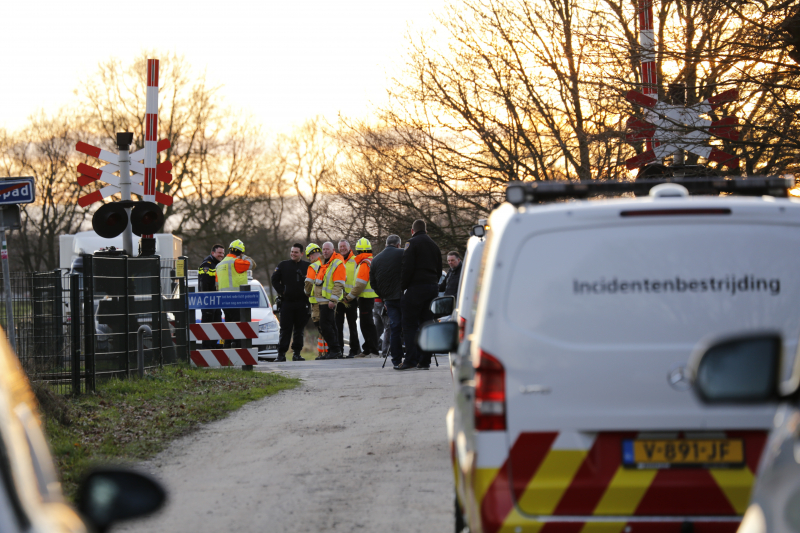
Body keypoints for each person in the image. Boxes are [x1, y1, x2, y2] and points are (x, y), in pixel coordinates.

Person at [397, 220, 442, 370]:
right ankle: (424, 361)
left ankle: (410, 360)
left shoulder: (411, 243)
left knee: (409, 325)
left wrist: (403, 287)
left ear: (412, 231)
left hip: (415, 288)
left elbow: (407, 267)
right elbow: (439, 267)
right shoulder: (434, 245)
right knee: (427, 325)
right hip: (432, 288)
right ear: (426, 231)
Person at [370, 234, 405, 367]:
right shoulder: (403, 253)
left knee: (394, 327)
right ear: (398, 245)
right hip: (403, 296)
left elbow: (373, 282)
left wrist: (383, 296)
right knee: (407, 326)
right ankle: (411, 357)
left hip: (388, 299)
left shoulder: (376, 259)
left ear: (385, 245)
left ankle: (396, 359)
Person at [271, 243, 310, 362]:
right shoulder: (283, 265)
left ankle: (297, 354)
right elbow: (274, 279)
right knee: (285, 329)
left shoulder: (308, 266)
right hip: (287, 303)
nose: (293, 254)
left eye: (296, 252)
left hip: (302, 303)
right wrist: (282, 291)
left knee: (299, 330)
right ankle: (281, 354)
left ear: (301, 254)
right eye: (292, 252)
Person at [342, 237, 380, 357]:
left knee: (367, 324)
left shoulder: (364, 263)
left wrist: (349, 297)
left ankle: (373, 350)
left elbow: (360, 284)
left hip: (365, 298)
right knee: (366, 324)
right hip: (367, 297)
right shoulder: (370, 261)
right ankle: (368, 349)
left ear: (358, 251)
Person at [216, 239, 256, 348]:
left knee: (229, 323)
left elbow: (217, 284)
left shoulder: (219, 265)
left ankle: (227, 347)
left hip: (223, 300)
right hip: (236, 299)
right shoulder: (236, 262)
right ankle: (237, 349)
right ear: (240, 252)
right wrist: (243, 256)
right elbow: (252, 264)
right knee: (238, 325)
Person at [314, 242, 345, 359]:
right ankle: (333, 350)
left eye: (327, 249)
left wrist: (333, 299)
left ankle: (335, 349)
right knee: (331, 325)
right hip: (322, 300)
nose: (325, 251)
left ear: (333, 250)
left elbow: (339, 283)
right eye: (324, 249)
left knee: (325, 325)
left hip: (328, 300)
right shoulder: (323, 262)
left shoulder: (337, 263)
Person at [336, 240, 361, 357]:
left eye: (344, 246)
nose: (342, 248)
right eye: (340, 247)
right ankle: (339, 350)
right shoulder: (336, 261)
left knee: (352, 325)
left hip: (351, 298)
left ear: (349, 247)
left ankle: (354, 350)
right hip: (339, 299)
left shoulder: (356, 261)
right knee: (338, 325)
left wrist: (353, 296)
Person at [197, 244, 225, 349]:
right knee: (208, 327)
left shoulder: (217, 264)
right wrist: (207, 301)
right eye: (219, 253)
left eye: (223, 253)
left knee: (216, 324)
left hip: (215, 301)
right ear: (213, 253)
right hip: (208, 301)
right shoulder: (207, 264)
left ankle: (213, 348)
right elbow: (204, 284)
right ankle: (207, 350)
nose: (221, 255)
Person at [304, 243, 326, 359]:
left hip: (316, 302)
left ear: (311, 255)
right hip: (328, 300)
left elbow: (308, 283)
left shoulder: (313, 266)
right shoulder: (327, 263)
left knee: (321, 326)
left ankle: (322, 353)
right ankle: (326, 352)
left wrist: (307, 293)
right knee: (327, 325)